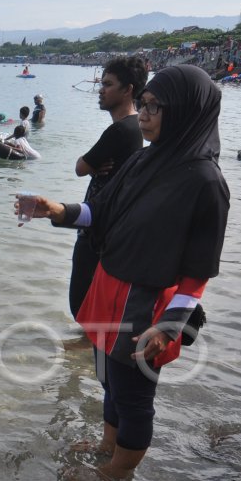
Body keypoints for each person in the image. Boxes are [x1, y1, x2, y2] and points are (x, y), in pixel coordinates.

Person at [16, 64, 229, 480]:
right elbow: (101, 212)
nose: (144, 113)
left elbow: (199, 272)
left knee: (134, 394)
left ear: (186, 112)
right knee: (109, 380)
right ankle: (107, 445)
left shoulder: (206, 182)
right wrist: (55, 210)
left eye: (155, 106)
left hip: (148, 305)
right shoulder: (143, 161)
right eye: (144, 103)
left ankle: (117, 472)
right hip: (108, 287)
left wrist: (169, 326)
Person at [70, 55, 149, 319]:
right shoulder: (135, 127)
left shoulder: (120, 131)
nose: (101, 90)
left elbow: (80, 167)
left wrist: (90, 165)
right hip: (112, 228)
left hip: (98, 229)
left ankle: (87, 354)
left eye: (108, 84)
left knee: (82, 305)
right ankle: (87, 358)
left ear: (128, 90)